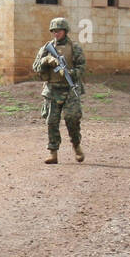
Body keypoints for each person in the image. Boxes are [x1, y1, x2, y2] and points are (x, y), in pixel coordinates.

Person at [32, 17, 86, 163]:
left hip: (69, 89)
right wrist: (46, 60)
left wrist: (70, 73)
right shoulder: (46, 48)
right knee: (51, 121)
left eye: (59, 31)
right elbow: (36, 67)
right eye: (54, 31)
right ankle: (53, 153)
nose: (56, 34)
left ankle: (76, 145)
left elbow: (82, 67)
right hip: (52, 89)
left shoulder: (75, 47)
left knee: (72, 118)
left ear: (65, 31)